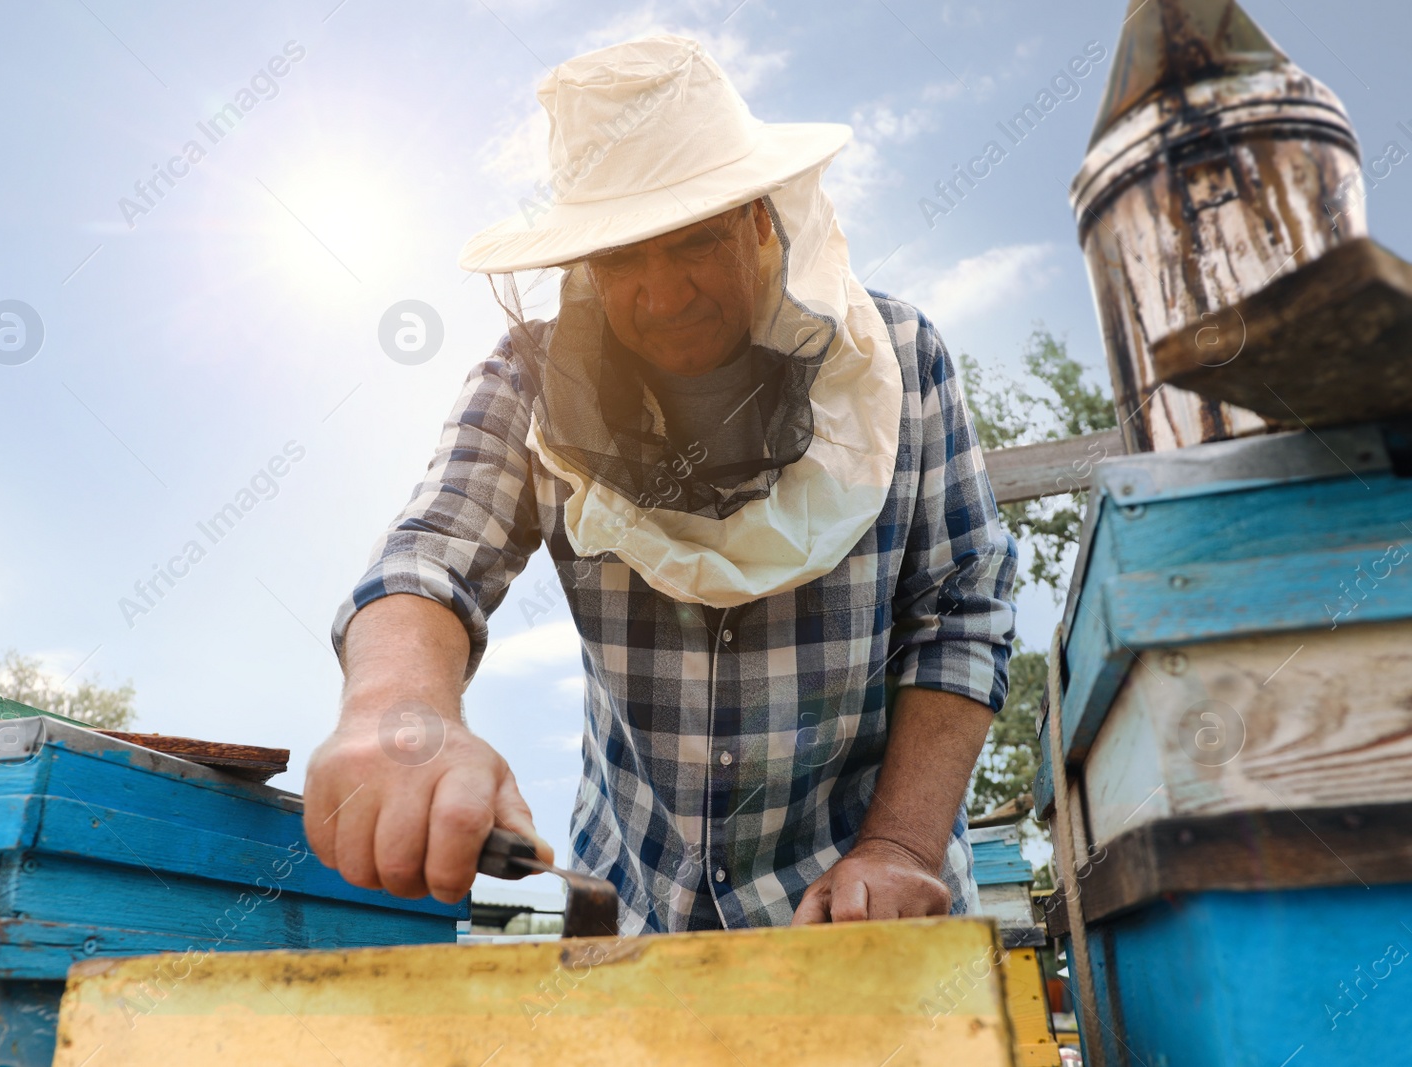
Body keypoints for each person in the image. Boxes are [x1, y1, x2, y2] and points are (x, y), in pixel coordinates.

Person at [304, 35, 1017, 934]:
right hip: (632, 905)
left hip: (865, 904)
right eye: (623, 260)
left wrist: (904, 847)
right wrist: (393, 710)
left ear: (761, 218)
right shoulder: (528, 382)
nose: (663, 294)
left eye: (693, 243)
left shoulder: (901, 361)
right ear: (583, 265)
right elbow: (431, 554)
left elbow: (962, 608)